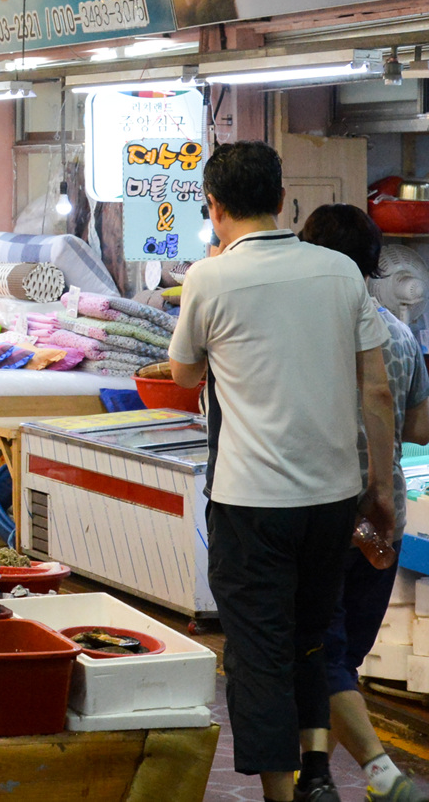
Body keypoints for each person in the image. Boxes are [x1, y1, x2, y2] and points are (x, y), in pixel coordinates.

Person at [169, 143, 397, 802]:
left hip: (250, 502)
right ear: (281, 200)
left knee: (258, 649)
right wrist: (378, 489)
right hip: (332, 499)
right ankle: (319, 772)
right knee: (309, 638)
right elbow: (376, 392)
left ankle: (284, 791)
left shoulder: (208, 278)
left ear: (213, 207)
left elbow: (184, 373)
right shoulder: (340, 274)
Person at [300, 206, 429, 802]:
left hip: (320, 513)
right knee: (338, 656)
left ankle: (378, 776)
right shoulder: (400, 335)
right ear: (374, 266)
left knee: (318, 652)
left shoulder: (305, 334)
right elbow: (421, 428)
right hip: (384, 519)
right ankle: (317, 773)